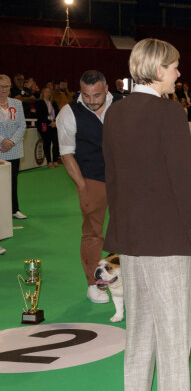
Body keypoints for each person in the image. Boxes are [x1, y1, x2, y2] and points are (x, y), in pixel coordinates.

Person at [103, 38, 191, 391]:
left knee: (141, 321)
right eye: (174, 67)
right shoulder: (169, 113)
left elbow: (112, 179)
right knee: (174, 325)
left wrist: (119, 231)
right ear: (156, 69)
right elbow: (184, 182)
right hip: (166, 237)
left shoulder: (114, 113)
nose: (179, 73)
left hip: (130, 236)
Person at [56, 70, 119, 303]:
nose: (92, 100)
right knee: (93, 234)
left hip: (123, 180)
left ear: (106, 89)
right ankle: (94, 284)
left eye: (97, 95)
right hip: (92, 179)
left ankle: (121, 279)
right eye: (86, 95)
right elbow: (66, 153)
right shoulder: (68, 112)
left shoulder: (122, 104)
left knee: (125, 230)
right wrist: (82, 186)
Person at [0, 74, 27, 219]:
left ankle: (14, 209)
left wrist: (11, 142)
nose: (4, 89)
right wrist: (2, 140)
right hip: (0, 149)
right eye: (1, 86)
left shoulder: (17, 104)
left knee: (12, 181)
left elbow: (22, 125)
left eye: (7, 86)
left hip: (13, 150)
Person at [35, 87, 60, 167]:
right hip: (44, 125)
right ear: (42, 92)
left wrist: (55, 122)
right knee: (47, 143)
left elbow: (58, 113)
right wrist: (50, 122)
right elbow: (40, 115)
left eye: (49, 92)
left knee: (56, 143)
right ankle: (49, 161)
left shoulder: (53, 102)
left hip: (54, 125)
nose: (47, 93)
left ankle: (55, 160)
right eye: (46, 91)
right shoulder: (39, 102)